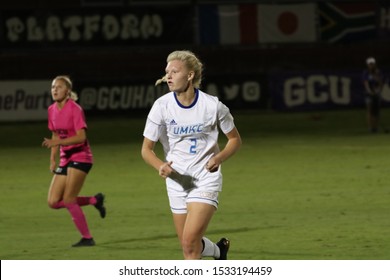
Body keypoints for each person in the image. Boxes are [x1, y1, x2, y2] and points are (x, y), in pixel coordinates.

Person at [141, 50, 242, 260]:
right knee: (189, 248)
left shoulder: (213, 105)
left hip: (205, 179)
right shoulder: (161, 107)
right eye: (167, 72)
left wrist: (218, 158)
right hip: (177, 181)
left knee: (189, 241)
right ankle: (218, 251)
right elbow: (146, 149)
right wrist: (161, 165)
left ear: (190, 75)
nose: (168, 76)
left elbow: (235, 140)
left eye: (174, 71)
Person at [42, 75, 106, 247]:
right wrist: (52, 159)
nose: (55, 90)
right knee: (53, 202)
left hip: (81, 157)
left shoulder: (75, 109)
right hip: (66, 158)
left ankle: (87, 238)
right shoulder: (51, 110)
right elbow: (55, 134)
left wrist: (58, 142)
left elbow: (81, 136)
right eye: (53, 87)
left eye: (59, 87)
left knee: (69, 200)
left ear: (68, 91)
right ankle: (94, 200)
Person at [362, 57, 384, 133]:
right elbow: (366, 83)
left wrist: (378, 91)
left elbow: (380, 83)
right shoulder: (366, 73)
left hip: (377, 93)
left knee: (376, 111)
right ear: (367, 65)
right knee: (370, 110)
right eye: (370, 64)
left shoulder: (378, 72)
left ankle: (376, 127)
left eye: (372, 64)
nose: (371, 65)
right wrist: (369, 91)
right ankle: (370, 127)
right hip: (368, 94)